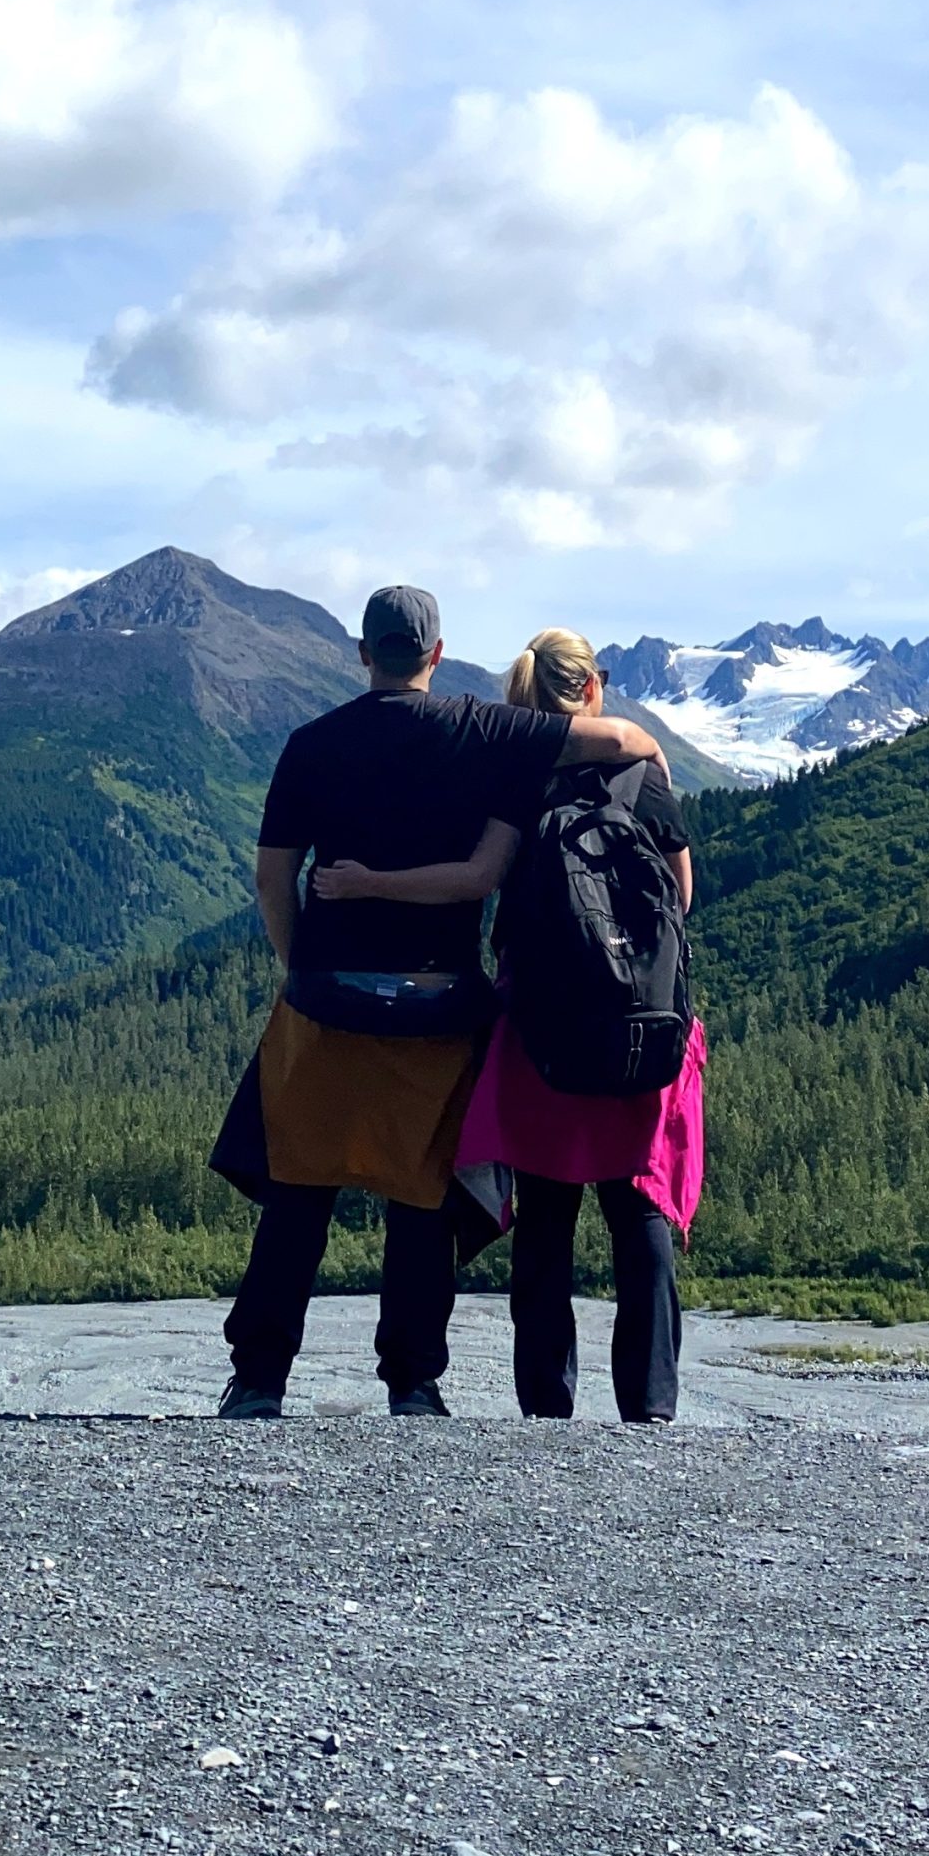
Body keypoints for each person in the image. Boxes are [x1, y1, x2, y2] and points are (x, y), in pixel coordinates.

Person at [209, 588, 669, 1420]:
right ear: (434, 652)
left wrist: (303, 964)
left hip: (328, 1002)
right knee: (420, 1198)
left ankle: (260, 1381)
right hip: (436, 1003)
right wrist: (656, 771)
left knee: (299, 1194)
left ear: (363, 653)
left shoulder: (312, 746)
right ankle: (413, 1383)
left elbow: (271, 878)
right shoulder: (482, 729)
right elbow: (623, 737)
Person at [311, 627, 707, 1423]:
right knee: (639, 1211)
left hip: (540, 1027)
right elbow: (681, 899)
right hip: (645, 1028)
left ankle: (545, 1409)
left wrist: (363, 885)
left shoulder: (518, 778)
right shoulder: (642, 774)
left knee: (549, 1218)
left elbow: (477, 880)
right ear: (592, 686)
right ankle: (653, 1408)